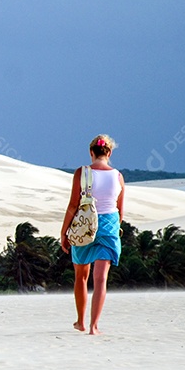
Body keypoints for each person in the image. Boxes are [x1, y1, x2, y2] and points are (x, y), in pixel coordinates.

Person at [59, 134, 125, 335]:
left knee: (81, 276)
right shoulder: (118, 176)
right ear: (109, 153)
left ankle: (81, 321)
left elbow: (73, 205)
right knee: (101, 278)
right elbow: (120, 211)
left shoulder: (82, 173)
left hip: (84, 226)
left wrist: (64, 232)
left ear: (91, 152)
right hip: (108, 228)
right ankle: (94, 326)